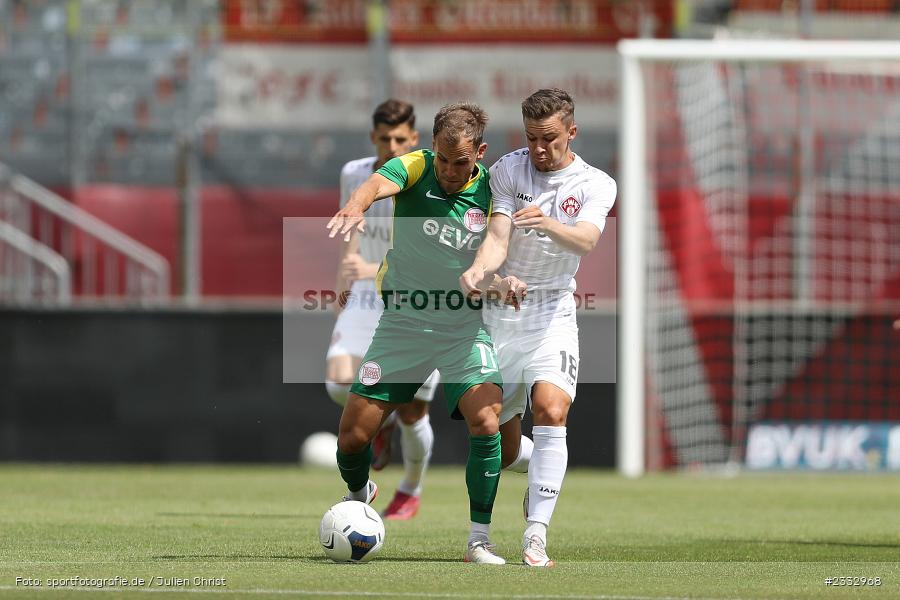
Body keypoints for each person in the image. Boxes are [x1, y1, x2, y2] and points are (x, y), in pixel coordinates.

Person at [327, 102, 507, 564]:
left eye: (460, 162)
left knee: (486, 421)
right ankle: (358, 492)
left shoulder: (494, 189)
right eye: (443, 159)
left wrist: (500, 281)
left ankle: (478, 540)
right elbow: (376, 182)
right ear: (432, 148)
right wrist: (357, 203)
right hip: (403, 323)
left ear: (479, 153)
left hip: (462, 326)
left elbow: (499, 246)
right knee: (351, 438)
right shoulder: (416, 165)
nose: (448, 171)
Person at [459, 88, 617, 567]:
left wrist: (547, 223)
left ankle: (535, 535)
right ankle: (533, 468)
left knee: (551, 410)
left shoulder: (596, 183)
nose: (540, 149)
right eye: (532, 139)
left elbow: (587, 240)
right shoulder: (509, 169)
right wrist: (482, 273)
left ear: (571, 132)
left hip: (553, 311)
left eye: (549, 138)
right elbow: (498, 236)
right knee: (500, 446)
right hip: (501, 312)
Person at [324, 99, 439, 520]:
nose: (393, 146)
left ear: (415, 139)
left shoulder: (428, 178)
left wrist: (373, 267)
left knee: (413, 409)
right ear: (374, 137)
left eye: (401, 139)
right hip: (367, 297)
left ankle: (410, 489)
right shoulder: (355, 173)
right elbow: (350, 227)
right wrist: (343, 285)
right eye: (385, 138)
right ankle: (380, 426)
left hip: (415, 300)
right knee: (339, 381)